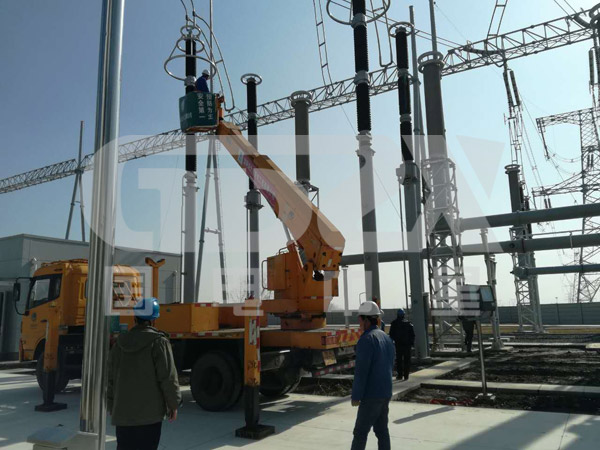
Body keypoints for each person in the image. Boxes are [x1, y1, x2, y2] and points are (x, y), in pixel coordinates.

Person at [107, 298, 181, 450]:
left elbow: (110, 377)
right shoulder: (158, 342)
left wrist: (111, 405)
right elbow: (167, 377)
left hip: (123, 416)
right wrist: (173, 404)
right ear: (154, 321)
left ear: (135, 319)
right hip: (150, 417)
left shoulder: (120, 343)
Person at [351, 301, 395, 450]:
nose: (359, 322)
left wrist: (356, 395)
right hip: (385, 392)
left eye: (359, 319)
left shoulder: (366, 339)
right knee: (382, 431)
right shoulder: (386, 337)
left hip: (371, 394)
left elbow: (361, 371)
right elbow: (391, 363)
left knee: (360, 432)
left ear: (366, 319)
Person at [388, 308, 415, 381]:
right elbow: (412, 335)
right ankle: (406, 375)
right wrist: (411, 343)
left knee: (399, 360)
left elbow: (391, 334)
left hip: (398, 345)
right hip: (407, 345)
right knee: (407, 360)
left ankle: (400, 375)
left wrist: (394, 341)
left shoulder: (394, 323)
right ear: (404, 315)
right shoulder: (408, 324)